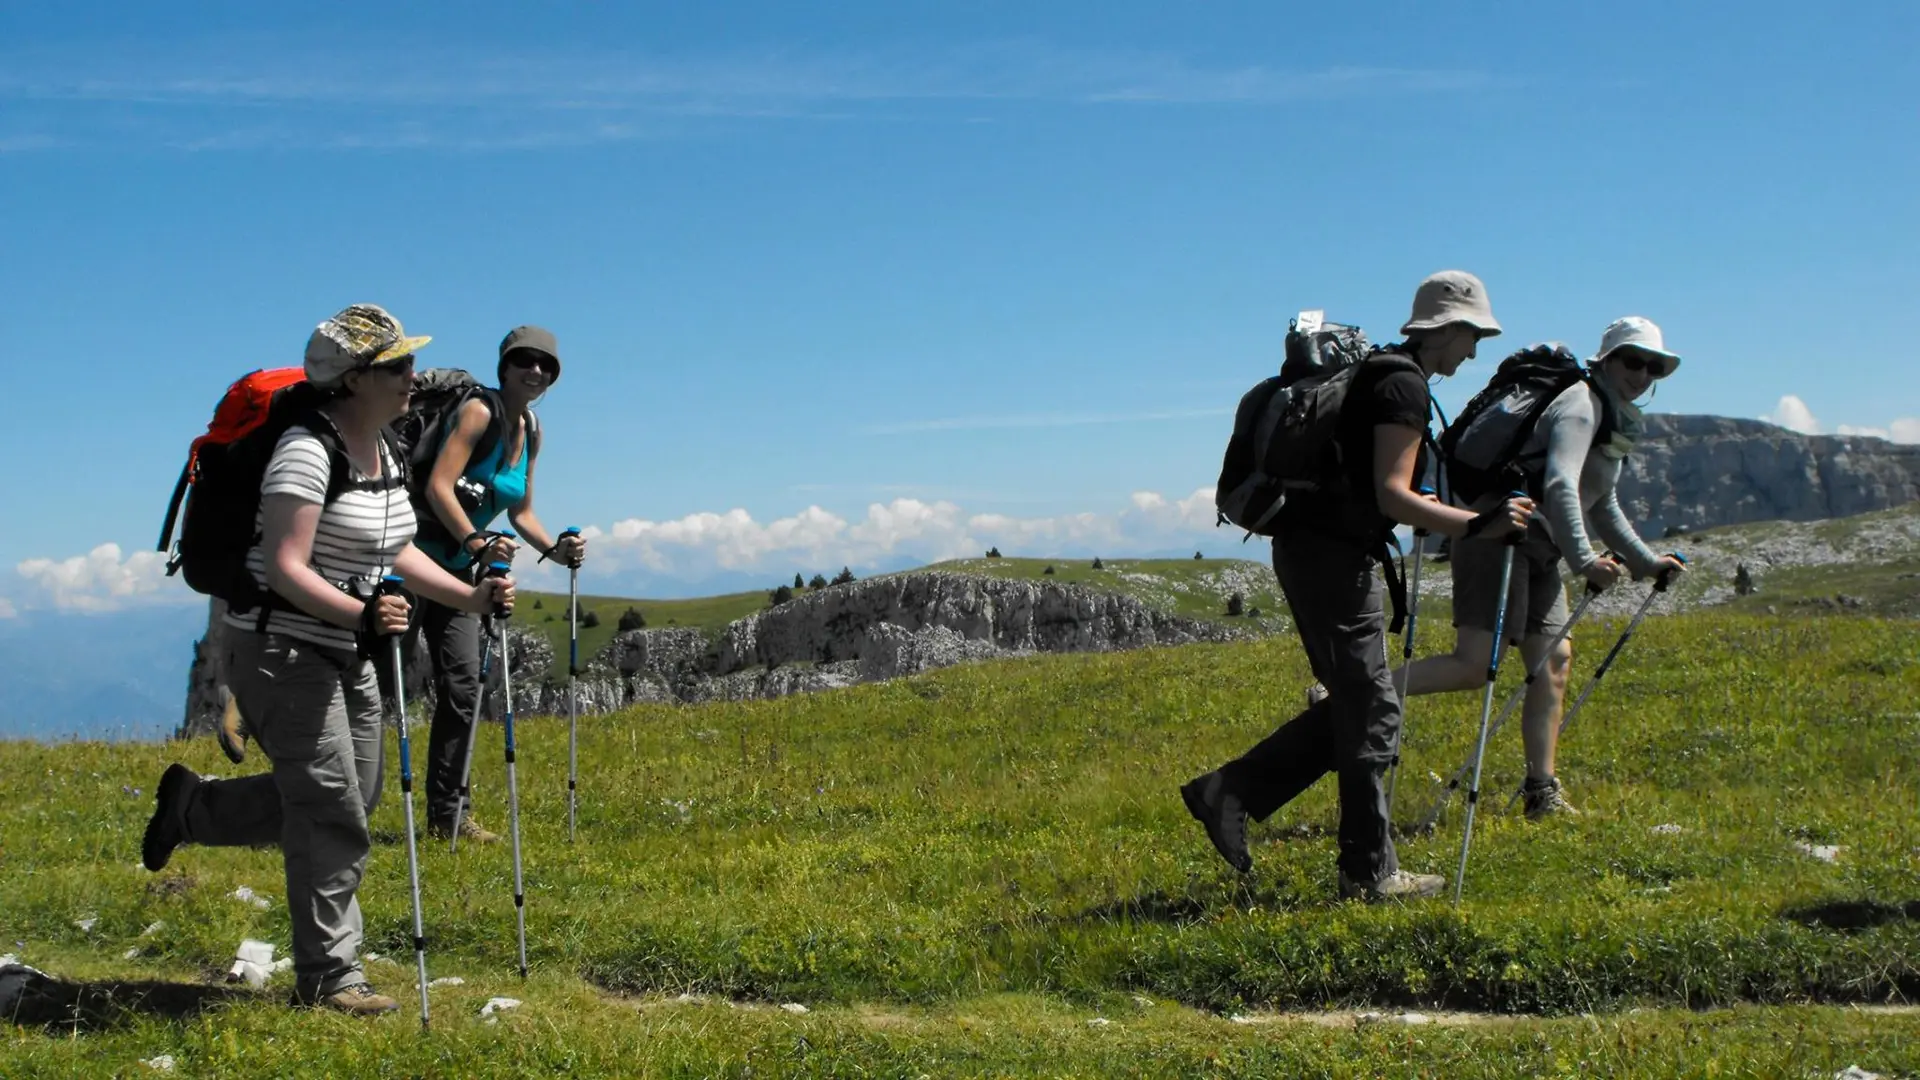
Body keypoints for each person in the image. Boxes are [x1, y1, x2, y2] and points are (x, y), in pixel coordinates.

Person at [141, 304, 515, 1016]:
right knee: (334, 808)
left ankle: (192, 809)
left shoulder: (387, 447)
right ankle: (329, 977)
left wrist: (469, 598)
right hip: (282, 647)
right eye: (398, 366)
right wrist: (364, 614)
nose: (414, 376)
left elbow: (394, 547)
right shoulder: (307, 451)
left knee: (350, 797)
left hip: (348, 648)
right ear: (353, 380)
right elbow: (284, 566)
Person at [1181, 271, 1533, 902]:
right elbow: (1392, 496)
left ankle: (1232, 793)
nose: (1474, 351)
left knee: (1360, 702)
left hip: (1315, 552)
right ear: (1446, 328)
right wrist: (1480, 525)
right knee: (1371, 707)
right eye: (1472, 335)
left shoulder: (1381, 374)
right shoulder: (1403, 385)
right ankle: (1367, 873)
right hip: (1332, 561)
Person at [1394, 316, 1688, 818]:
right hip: (1500, 535)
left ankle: (1541, 790)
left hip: (1541, 547)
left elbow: (1600, 501)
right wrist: (1587, 561)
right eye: (1633, 361)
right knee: (1472, 664)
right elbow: (1558, 486)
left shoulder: (1609, 415)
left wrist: (1645, 561)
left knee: (1553, 662)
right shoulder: (1581, 405)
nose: (1643, 375)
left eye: (1654, 367)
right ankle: (1355, 689)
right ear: (1608, 360)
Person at [409, 325, 585, 844]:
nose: (536, 371)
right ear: (504, 366)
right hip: (411, 559)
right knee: (370, 679)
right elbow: (439, 485)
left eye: (546, 365)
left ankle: (449, 818)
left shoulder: (531, 430)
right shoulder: (479, 412)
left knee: (464, 687)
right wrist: (476, 543)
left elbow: (520, 510)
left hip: (461, 568)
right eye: (525, 361)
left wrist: (553, 548)